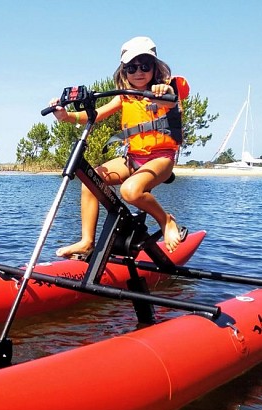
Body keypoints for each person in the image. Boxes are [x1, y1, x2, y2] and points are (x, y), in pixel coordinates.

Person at [49, 36, 188, 256]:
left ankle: (166, 220)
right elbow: (93, 115)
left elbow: (169, 99)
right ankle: (87, 241)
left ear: (155, 67)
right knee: (91, 179)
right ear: (123, 71)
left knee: (129, 191)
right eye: (131, 67)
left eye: (145, 66)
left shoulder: (166, 89)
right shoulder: (124, 97)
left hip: (161, 159)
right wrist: (66, 116)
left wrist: (163, 92)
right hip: (132, 159)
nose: (138, 72)